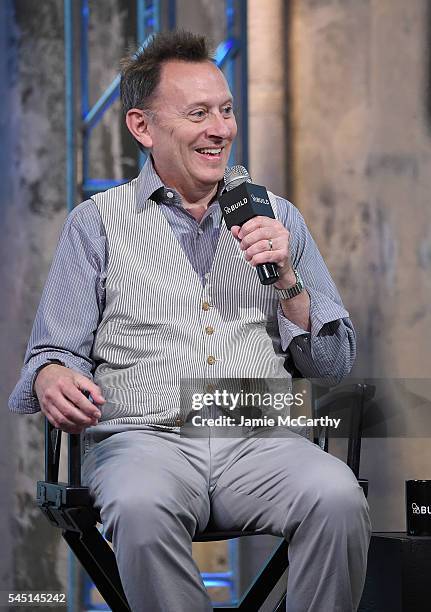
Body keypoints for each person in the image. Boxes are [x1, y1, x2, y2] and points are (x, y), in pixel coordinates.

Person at [9, 30, 371, 612]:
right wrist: (52, 377)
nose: (221, 129)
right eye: (198, 113)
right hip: (144, 440)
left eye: (226, 111)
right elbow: (55, 351)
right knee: (140, 505)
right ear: (143, 127)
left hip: (261, 440)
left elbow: (332, 362)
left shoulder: (276, 217)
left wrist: (287, 282)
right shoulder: (95, 223)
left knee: (337, 496)